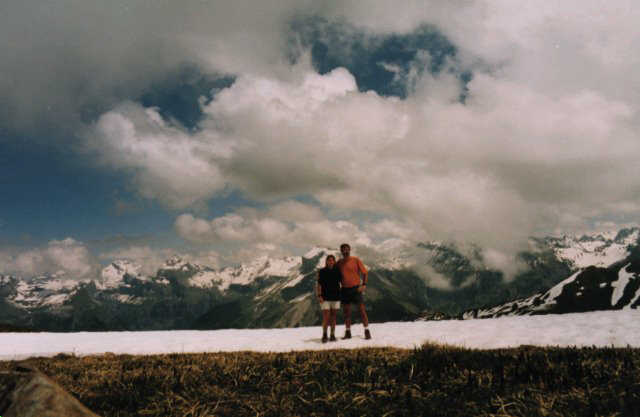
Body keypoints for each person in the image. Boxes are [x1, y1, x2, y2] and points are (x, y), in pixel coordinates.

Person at [337, 243, 371, 340]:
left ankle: (367, 331)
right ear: (341, 251)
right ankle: (348, 332)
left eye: (346, 249)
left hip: (356, 289)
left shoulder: (356, 260)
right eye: (343, 250)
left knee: (362, 311)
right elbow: (335, 274)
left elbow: (365, 272)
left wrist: (364, 284)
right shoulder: (339, 263)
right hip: (344, 289)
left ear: (349, 249)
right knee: (346, 312)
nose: (345, 251)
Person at [316, 254, 341, 343]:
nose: (330, 262)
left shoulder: (338, 271)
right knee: (326, 316)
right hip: (325, 297)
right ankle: (324, 334)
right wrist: (319, 295)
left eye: (332, 260)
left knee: (333, 316)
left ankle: (332, 334)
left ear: (334, 261)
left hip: (336, 296)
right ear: (326, 261)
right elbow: (319, 284)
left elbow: (341, 282)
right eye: (329, 260)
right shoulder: (322, 271)